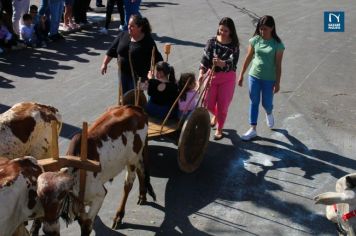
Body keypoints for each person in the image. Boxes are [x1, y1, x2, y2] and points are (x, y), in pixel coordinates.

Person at [237, 15, 285, 141]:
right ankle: (253, 128)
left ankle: (269, 112)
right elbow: (248, 58)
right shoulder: (255, 40)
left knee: (266, 103)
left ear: (272, 28)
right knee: (254, 102)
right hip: (254, 76)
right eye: (260, 28)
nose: (262, 31)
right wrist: (241, 74)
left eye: (265, 29)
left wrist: (278, 83)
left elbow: (279, 66)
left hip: (269, 79)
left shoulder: (278, 45)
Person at [198, 17, 240, 140]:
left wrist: (222, 63)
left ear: (231, 31)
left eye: (225, 31)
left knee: (223, 106)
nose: (222, 32)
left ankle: (220, 128)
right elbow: (205, 59)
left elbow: (233, 63)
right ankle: (217, 116)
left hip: (227, 78)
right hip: (212, 76)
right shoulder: (211, 41)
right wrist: (201, 73)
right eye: (221, 29)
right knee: (207, 103)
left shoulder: (234, 45)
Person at [101, 14, 163, 95]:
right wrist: (104, 63)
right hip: (123, 74)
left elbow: (157, 58)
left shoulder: (147, 41)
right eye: (128, 25)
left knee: (135, 99)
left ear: (140, 27)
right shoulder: (123, 35)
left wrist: (158, 74)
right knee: (123, 97)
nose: (129, 28)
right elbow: (112, 50)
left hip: (139, 78)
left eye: (132, 26)